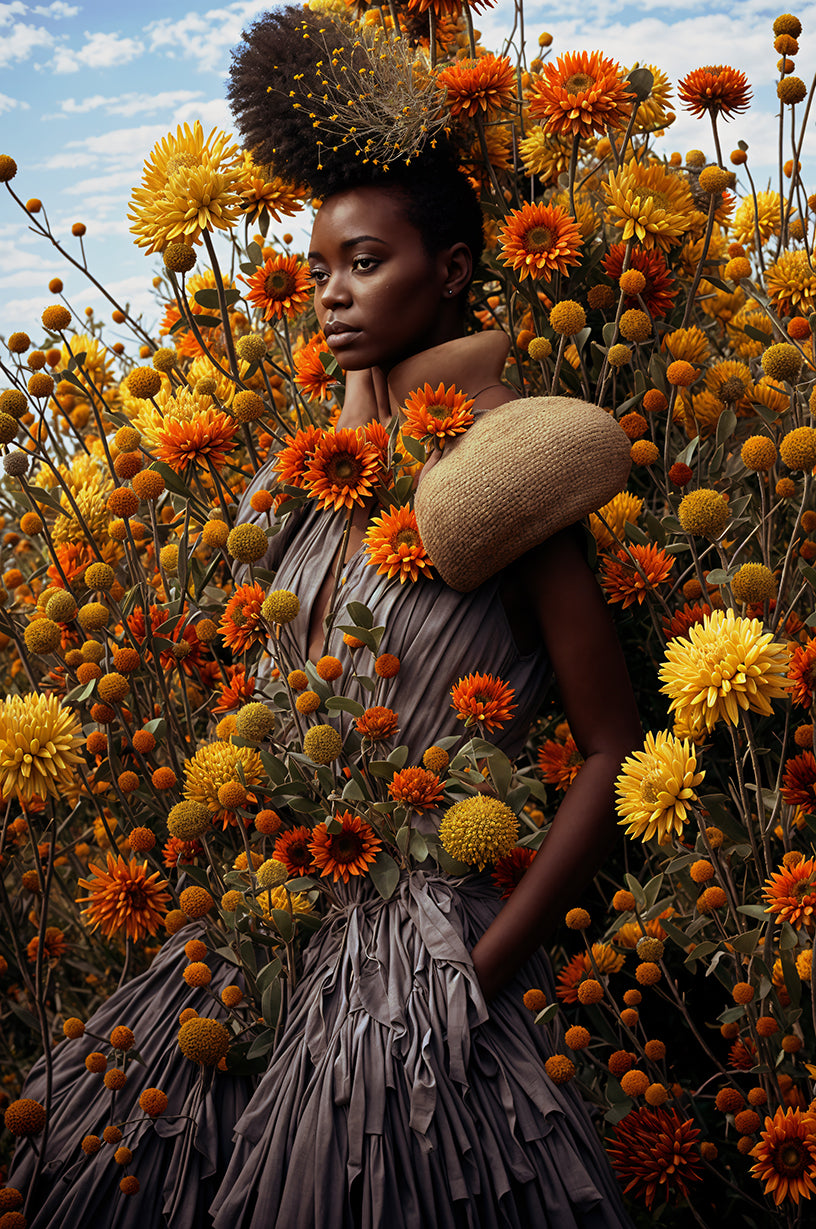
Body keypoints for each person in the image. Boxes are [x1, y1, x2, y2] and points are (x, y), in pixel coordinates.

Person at [9, 9, 640, 1227]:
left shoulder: (511, 472)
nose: (332, 296)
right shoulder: (298, 482)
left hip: (428, 949)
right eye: (322, 268)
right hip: (266, 924)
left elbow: (611, 747)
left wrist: (480, 970)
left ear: (451, 271)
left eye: (368, 263)